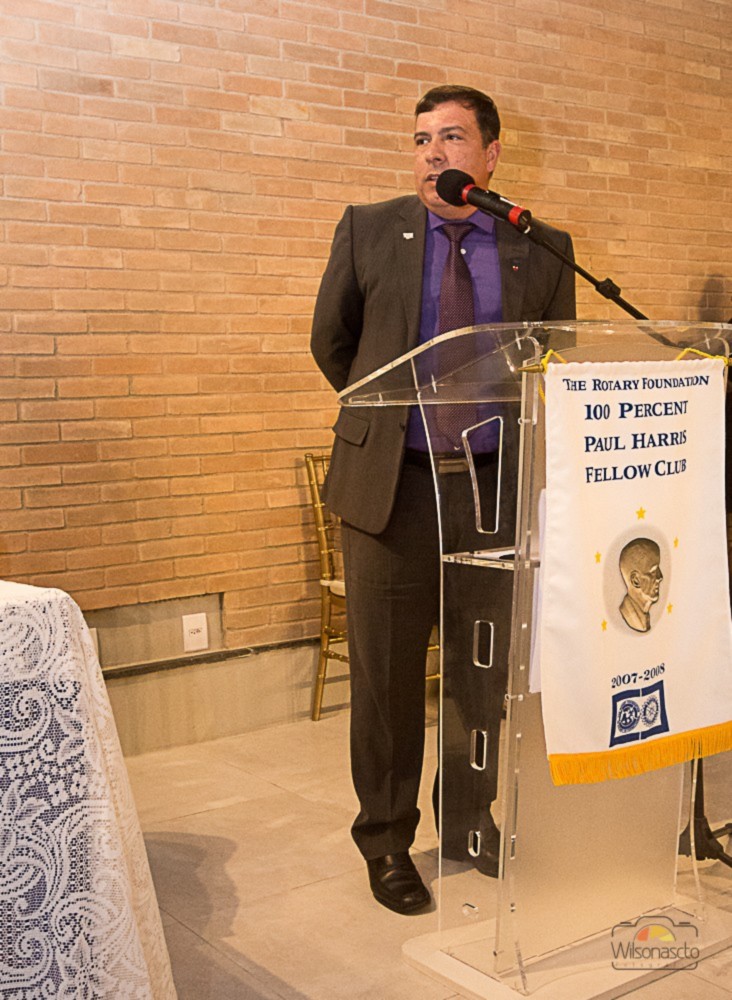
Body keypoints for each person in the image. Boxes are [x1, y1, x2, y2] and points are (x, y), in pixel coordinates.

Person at [310, 84, 576, 914]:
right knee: (387, 680)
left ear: (490, 155)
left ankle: (468, 820)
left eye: (452, 137)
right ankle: (387, 840)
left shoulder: (541, 246)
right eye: (422, 138)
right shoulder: (369, 228)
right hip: (393, 488)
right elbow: (333, 343)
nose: (433, 152)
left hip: (494, 490)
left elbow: (555, 361)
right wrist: (385, 421)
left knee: (480, 674)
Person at [619, 537, 663, 633]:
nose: (660, 577)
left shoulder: (643, 616)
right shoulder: (631, 617)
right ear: (635, 580)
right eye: (653, 571)